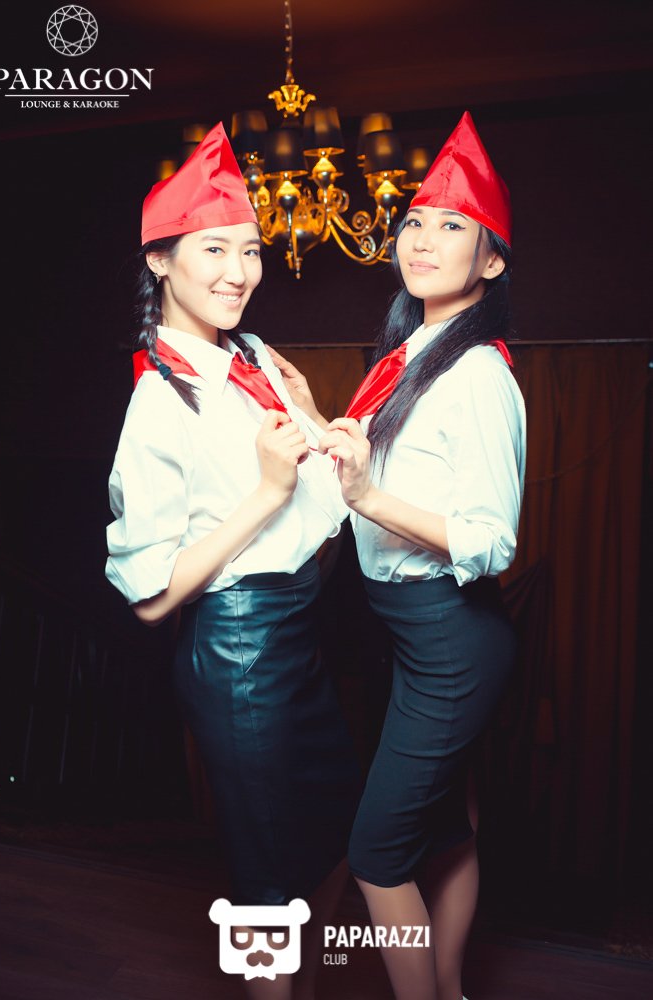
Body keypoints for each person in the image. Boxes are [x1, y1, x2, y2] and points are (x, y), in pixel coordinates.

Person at [269, 111, 526, 1000]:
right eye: (414, 220)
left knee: (378, 855)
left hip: (451, 637)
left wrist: (370, 496)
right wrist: (313, 414)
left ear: (490, 262)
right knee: (446, 833)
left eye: (452, 226)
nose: (421, 239)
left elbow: (491, 539)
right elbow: (362, 476)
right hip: (409, 635)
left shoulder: (477, 373)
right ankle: (449, 987)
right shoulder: (412, 355)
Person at [105, 122, 359, 1000]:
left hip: (302, 626)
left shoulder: (248, 356)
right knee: (266, 875)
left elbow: (321, 491)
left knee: (338, 837)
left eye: (250, 250)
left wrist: (318, 421)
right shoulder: (157, 403)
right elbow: (149, 598)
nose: (239, 271)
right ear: (160, 262)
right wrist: (264, 493)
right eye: (213, 249)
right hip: (240, 647)